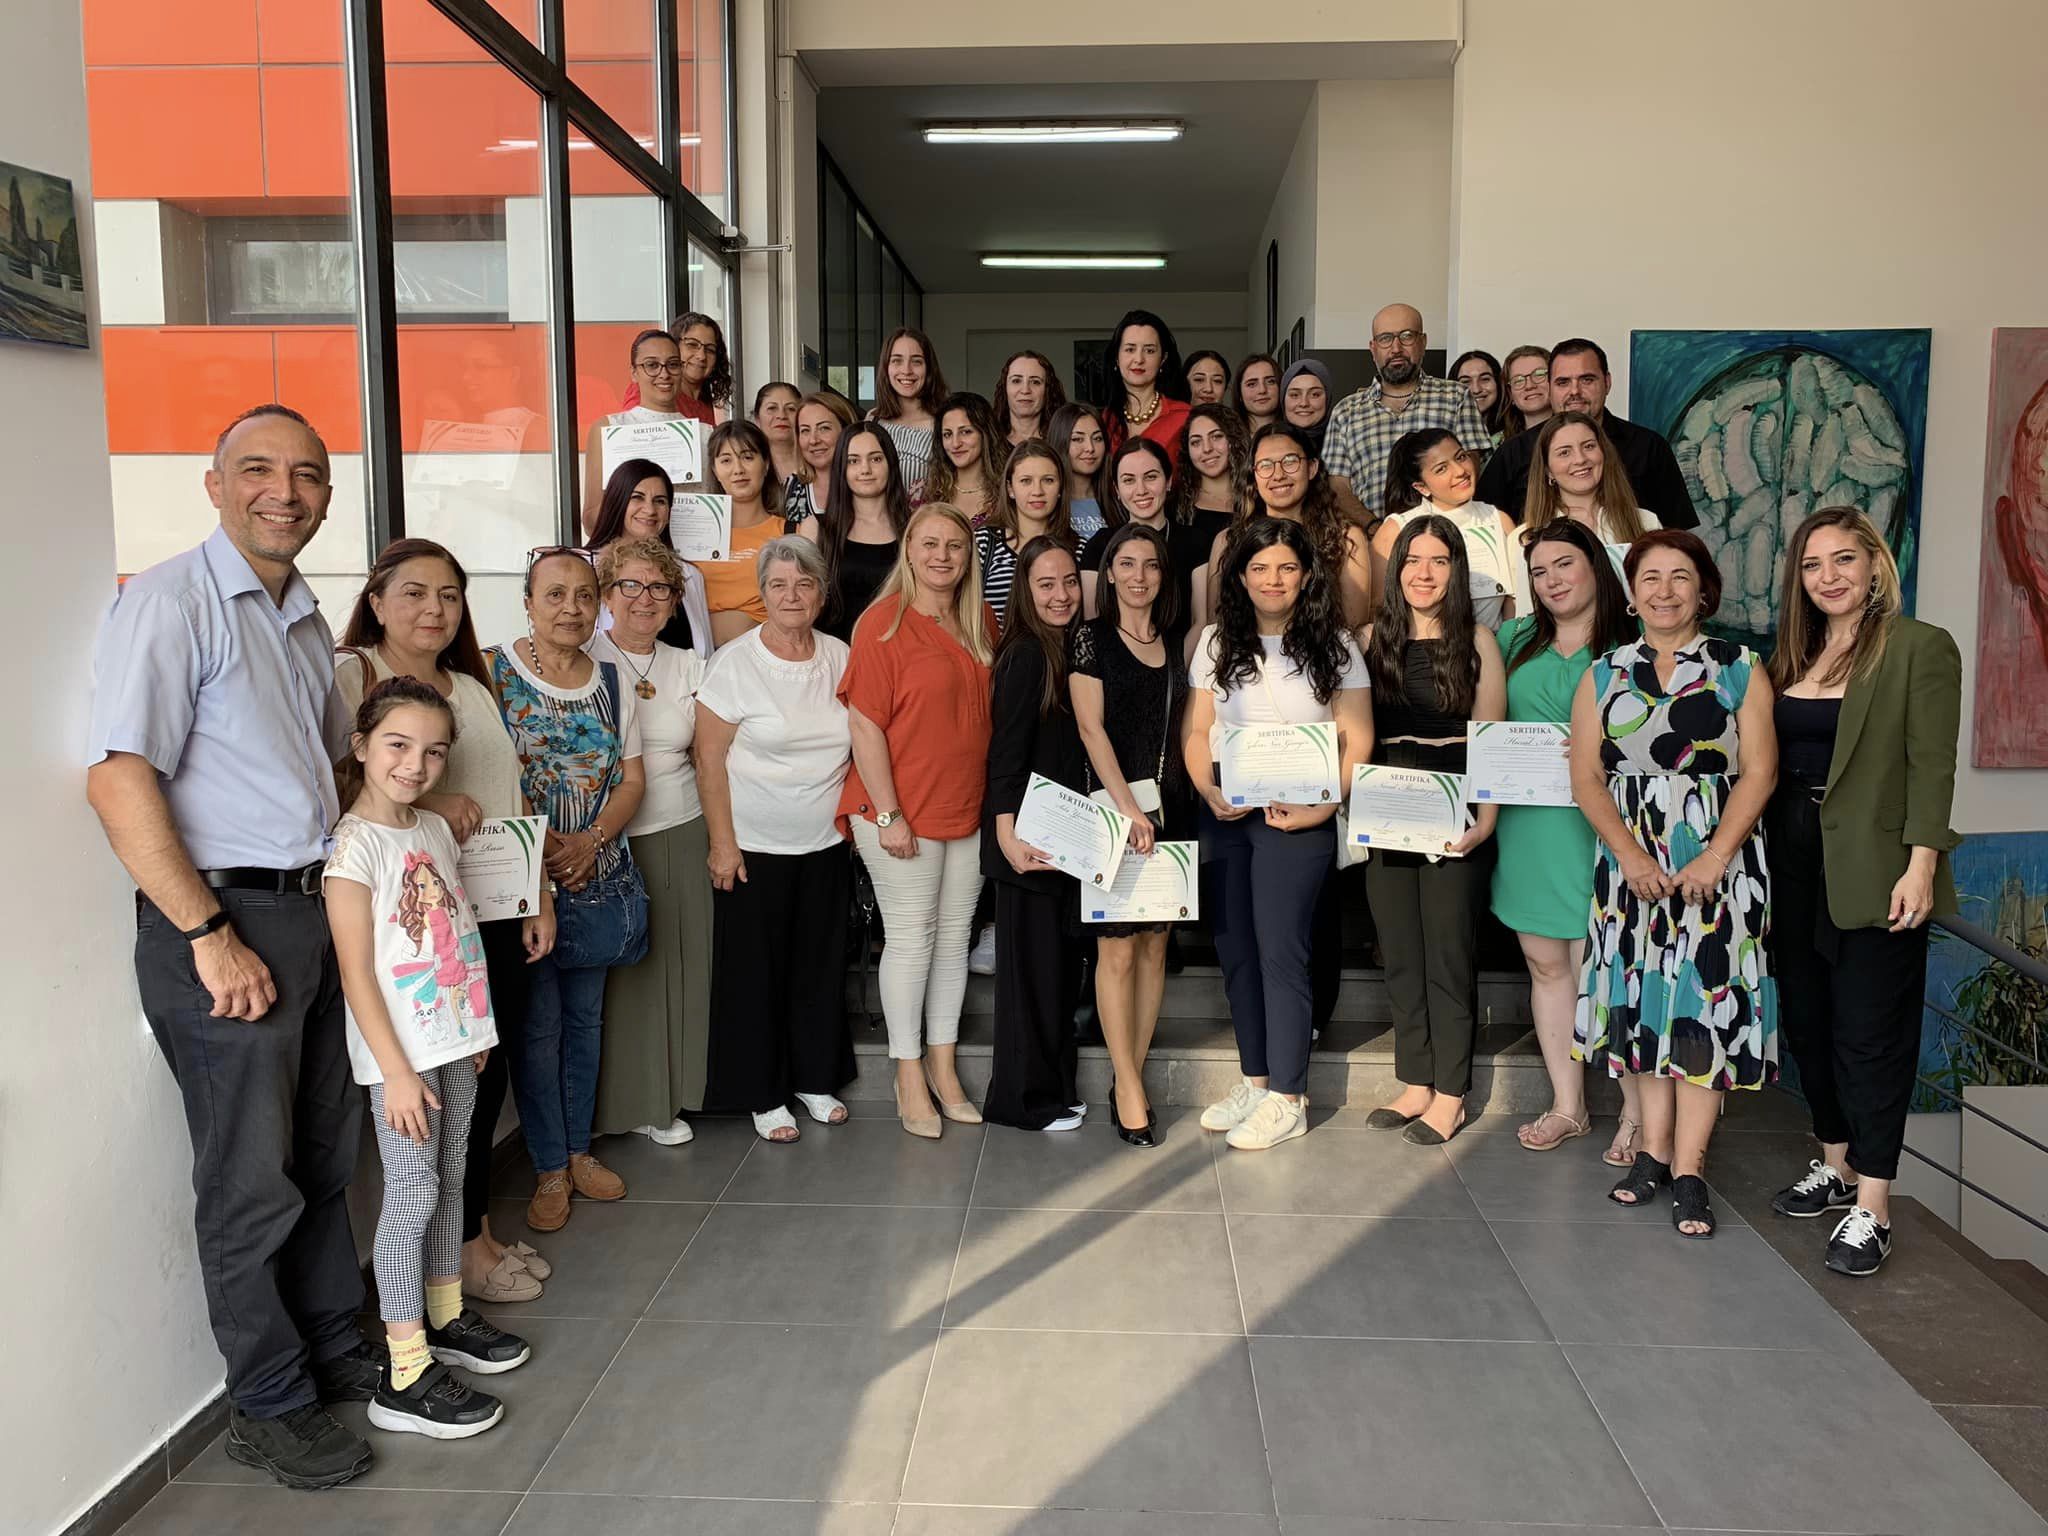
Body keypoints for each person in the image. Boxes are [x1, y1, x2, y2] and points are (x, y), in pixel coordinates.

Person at [86, 404, 383, 1489]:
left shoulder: (301, 616)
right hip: (224, 925)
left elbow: (324, 774)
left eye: (307, 475)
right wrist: (207, 934)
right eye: (257, 470)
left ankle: (334, 1348)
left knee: (323, 1157)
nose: (284, 493)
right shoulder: (171, 603)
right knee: (250, 1180)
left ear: (327, 498)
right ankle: (268, 1403)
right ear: (214, 485)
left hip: (310, 913)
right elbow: (119, 779)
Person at [334, 539, 557, 1307]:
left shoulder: (470, 683)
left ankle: (476, 1236)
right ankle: (458, 1257)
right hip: (416, 930)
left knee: (483, 1086)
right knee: (440, 1110)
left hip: (490, 909)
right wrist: (430, 801)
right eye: (414, 592)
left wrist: (538, 892)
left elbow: (511, 790)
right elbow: (345, 786)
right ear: (375, 602)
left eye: (450, 596)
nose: (435, 609)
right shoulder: (355, 675)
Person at [324, 678, 527, 1440]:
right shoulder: (353, 848)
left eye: (434, 751)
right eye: (398, 745)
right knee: (410, 1195)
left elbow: (458, 936)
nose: (415, 764)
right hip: (401, 1062)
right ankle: (405, 1370)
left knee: (450, 1182)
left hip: (456, 1043)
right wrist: (396, 1072)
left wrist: (475, 1032)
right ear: (361, 747)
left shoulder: (434, 830)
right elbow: (357, 974)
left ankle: (445, 1315)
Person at [1763, 508, 1962, 1276]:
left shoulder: (1919, 647)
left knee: (1870, 1034)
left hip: (1880, 871)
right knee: (1807, 1024)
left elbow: (1931, 765)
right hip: (1792, 867)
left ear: (1876, 564)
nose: (1829, 577)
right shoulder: (1793, 654)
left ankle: (1874, 1206)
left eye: (1844, 559)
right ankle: (1837, 1165)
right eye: (1813, 565)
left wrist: (1921, 863)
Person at [1573, 530, 1778, 1239]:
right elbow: (1586, 779)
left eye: (1679, 576)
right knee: (1643, 1005)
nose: (1664, 591)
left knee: (1703, 1010)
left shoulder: (1739, 668)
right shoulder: (1603, 673)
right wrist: (1631, 857)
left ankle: (1691, 1170)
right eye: (1650, 578)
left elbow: (1760, 771)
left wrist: (1715, 857)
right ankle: (1652, 1154)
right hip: (1631, 871)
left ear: (1703, 591)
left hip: (1720, 868)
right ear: (1632, 595)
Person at [1186, 517, 1372, 1151]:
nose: (1273, 579)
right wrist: (1206, 787)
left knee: (1282, 953)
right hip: (1228, 810)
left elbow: (1358, 737)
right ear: (1240, 576)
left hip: (1301, 815)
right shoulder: (1216, 641)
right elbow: (1196, 730)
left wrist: (1325, 807)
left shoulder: (1334, 643)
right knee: (1236, 950)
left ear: (1306, 575)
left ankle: (1289, 1098)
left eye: (1287, 567)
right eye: (1260, 568)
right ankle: (1257, 1080)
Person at [488, 550, 647, 1232]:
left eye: (584, 595)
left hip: (596, 875)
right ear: (527, 601)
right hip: (522, 885)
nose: (571, 608)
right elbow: (490, 771)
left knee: (585, 1022)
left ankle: (579, 1152)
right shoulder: (493, 672)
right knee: (537, 1028)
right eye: (554, 594)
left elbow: (633, 779)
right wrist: (546, 852)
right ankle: (549, 1167)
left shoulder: (613, 679)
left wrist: (591, 841)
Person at [838, 504, 996, 1138]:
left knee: (954, 940)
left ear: (968, 557)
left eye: (954, 546)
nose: (942, 556)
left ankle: (944, 1067)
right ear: (908, 550)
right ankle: (908, 1075)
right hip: (899, 809)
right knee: (911, 938)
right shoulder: (882, 623)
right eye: (929, 544)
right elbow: (864, 723)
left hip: (966, 805)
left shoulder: (979, 619)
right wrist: (889, 814)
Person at [1489, 520, 1645, 1158]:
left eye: (1564, 564)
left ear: (1596, 567)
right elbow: (1485, 719)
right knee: (1547, 964)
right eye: (1538, 571)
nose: (1551, 580)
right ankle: (1568, 1105)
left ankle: (1638, 1114)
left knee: (1609, 969)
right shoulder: (1512, 639)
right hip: (1531, 826)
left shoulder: (1633, 640)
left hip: (1605, 827)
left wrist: (1600, 750)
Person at [697, 538, 858, 1141]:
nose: (792, 596)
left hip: (824, 844)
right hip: (753, 847)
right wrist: (722, 843)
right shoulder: (734, 664)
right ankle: (764, 1093)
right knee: (756, 975)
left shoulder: (840, 656)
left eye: (804, 584)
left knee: (818, 967)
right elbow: (708, 761)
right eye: (778, 585)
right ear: (762, 594)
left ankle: (814, 1079)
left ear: (821, 592)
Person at [1359, 516, 1506, 1145]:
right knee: (1400, 951)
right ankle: (1416, 1081)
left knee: (1448, 953)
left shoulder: (1478, 641)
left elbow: (1490, 737)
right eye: (1413, 560)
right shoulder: (1370, 638)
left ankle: (1451, 1093)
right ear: (1396, 570)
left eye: (1439, 561)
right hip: (1388, 807)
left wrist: (1486, 820)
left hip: (1456, 812)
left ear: (1456, 570)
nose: (1424, 573)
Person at [589, 537, 712, 1149]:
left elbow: (709, 755)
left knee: (680, 964)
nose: (645, 598)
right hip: (604, 837)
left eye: (659, 587)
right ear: (607, 596)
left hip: (682, 826)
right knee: (626, 978)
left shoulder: (689, 665)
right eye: (630, 585)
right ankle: (630, 1102)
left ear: (674, 599)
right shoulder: (583, 659)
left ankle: (675, 1093)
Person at [1074, 522, 1188, 1147]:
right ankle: (1126, 1088)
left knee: (1154, 949)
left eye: (1150, 564)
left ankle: (1132, 1076)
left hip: (1168, 812)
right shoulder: (1090, 638)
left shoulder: (1174, 643)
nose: (1138, 576)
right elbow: (1090, 730)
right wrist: (1127, 810)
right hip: (1114, 814)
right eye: (1126, 564)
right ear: (1110, 574)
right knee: (1116, 951)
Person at [982, 538, 1090, 1132]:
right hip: (1027, 842)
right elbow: (1005, 751)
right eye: (1046, 584)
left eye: (1069, 581)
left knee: (1055, 975)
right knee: (1030, 980)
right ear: (1024, 591)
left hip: (1062, 839)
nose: (1061, 594)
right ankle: (1023, 1102)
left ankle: (1054, 1089)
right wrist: (1007, 833)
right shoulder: (1025, 653)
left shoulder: (1070, 646)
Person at [1476, 338, 1696, 528]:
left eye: (1587, 380)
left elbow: (1676, 534)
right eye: (1563, 382)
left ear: (1607, 382)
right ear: (1550, 387)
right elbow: (1485, 527)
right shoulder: (1514, 453)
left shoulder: (1649, 447)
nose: (1575, 391)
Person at [1322, 303, 1490, 523]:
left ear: (1423, 342)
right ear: (1373, 348)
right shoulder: (1346, 412)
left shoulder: (1456, 397)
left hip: (1445, 533)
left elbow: (1470, 466)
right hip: (1370, 537)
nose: (1396, 348)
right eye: (1385, 339)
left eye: (1406, 336)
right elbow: (1337, 486)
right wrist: (1374, 528)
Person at [1210, 421, 1373, 630]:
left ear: (1312, 468)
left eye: (1290, 461)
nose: (1278, 475)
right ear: (1254, 475)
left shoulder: (1346, 539)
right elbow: (1216, 624)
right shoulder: (1228, 541)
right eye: (1265, 465)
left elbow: (1354, 626)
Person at [1373, 428, 1528, 629]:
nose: (1460, 471)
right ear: (1421, 487)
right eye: (1441, 469)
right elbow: (1379, 608)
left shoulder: (1498, 519)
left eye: (1461, 457)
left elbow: (1514, 600)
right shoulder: (1397, 529)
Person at [698, 419, 819, 646]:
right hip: (699, 661)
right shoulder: (694, 534)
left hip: (768, 658)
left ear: (766, 464)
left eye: (747, 457)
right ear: (714, 470)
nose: (738, 470)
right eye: (726, 460)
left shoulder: (793, 532)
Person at [584, 457, 716, 656]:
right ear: (617, 502)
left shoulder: (690, 575)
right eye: (637, 497)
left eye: (660, 501)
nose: (650, 510)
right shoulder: (585, 569)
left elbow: (704, 653)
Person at [582, 328, 689, 535]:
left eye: (673, 364)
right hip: (625, 553)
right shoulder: (608, 428)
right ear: (634, 372)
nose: (664, 374)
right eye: (652, 365)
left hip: (689, 552)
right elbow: (590, 521)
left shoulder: (706, 434)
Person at [819, 421, 912, 640]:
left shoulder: (913, 528)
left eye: (876, 459)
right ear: (841, 468)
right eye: (853, 461)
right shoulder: (817, 528)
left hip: (896, 650)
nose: (865, 470)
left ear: (891, 463)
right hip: (835, 653)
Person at [1522, 411, 1662, 546]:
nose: (1580, 459)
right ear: (1548, 470)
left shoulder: (1646, 523)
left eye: (1588, 446)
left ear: (1604, 453)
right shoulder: (1525, 539)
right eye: (1564, 453)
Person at [976, 437, 1073, 626]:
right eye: (1026, 481)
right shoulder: (984, 542)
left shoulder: (1078, 548)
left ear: (1060, 487)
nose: (1037, 491)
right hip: (995, 645)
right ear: (1010, 489)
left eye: (1048, 480)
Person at [1177, 403, 1249, 646]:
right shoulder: (1175, 506)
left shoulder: (1257, 500)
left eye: (1217, 436)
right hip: (1189, 632)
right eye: (1196, 442)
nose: (1207, 448)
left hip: (1246, 625)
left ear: (1233, 440)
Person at [1081, 437, 1175, 620]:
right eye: (1129, 480)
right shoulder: (1099, 544)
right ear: (1117, 489)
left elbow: (1203, 621)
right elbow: (1092, 620)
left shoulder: (1196, 542)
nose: (1141, 490)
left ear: (1169, 481)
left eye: (1151, 477)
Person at [1102, 308, 1192, 469]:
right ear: (1117, 357)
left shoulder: (1184, 416)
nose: (1139, 359)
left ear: (1163, 358)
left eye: (1149, 350)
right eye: (1130, 349)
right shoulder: (1104, 421)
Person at [871, 326, 948, 498]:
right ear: (886, 367)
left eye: (916, 361)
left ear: (929, 368)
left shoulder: (944, 422)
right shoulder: (873, 420)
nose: (906, 370)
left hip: (928, 514)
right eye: (897, 361)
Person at [617, 310, 731, 424]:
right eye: (692, 345)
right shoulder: (649, 389)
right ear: (673, 347)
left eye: (710, 349)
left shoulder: (704, 396)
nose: (701, 356)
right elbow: (632, 431)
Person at [927, 391, 1003, 528]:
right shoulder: (925, 493)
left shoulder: (1008, 491)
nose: (955, 443)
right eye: (947, 434)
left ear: (985, 434)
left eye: (966, 432)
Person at [786, 390, 856, 525]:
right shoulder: (792, 487)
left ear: (846, 430)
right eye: (805, 430)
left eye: (824, 428)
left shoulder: (865, 482)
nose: (813, 440)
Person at [1050, 401, 1111, 542]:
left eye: (1097, 438)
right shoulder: (1046, 501)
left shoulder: (1118, 499)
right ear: (1060, 442)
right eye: (1078, 439)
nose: (1090, 448)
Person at [992, 348, 1067, 445]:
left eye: (1035, 382)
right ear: (1005, 388)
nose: (1025, 390)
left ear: (1048, 390)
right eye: (1016, 381)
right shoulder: (989, 442)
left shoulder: (1064, 442)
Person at [753, 380, 805, 499]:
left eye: (791, 409)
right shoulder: (748, 467)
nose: (781, 416)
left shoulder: (815, 465)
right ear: (757, 418)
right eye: (772, 408)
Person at [1279, 358, 1333, 462]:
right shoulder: (1269, 443)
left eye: (1315, 395)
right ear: (1282, 399)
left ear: (1327, 398)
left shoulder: (1342, 441)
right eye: (1295, 395)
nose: (1304, 403)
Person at [1450, 349, 1509, 445]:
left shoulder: (1516, 431)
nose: (1476, 389)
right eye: (1466, 381)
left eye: (1485, 379)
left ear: (1498, 383)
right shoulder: (1445, 432)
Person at [1499, 344, 1552, 439]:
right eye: (1518, 380)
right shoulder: (1498, 444)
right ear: (1510, 394)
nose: (1529, 386)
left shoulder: (1577, 430)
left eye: (1539, 374)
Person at [1235, 352, 1281, 435]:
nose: (1262, 390)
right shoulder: (1225, 436)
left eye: (1270, 381)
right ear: (1239, 393)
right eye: (1251, 384)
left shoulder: (1297, 434)